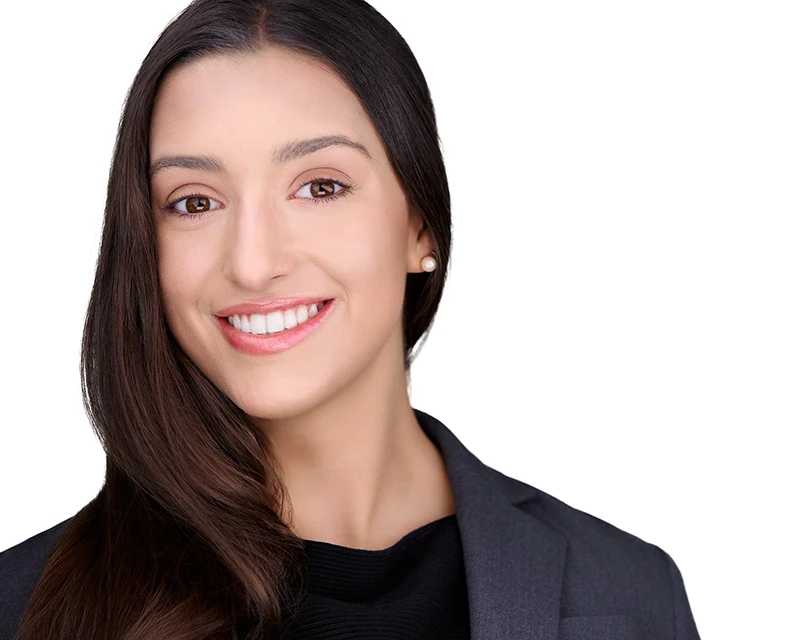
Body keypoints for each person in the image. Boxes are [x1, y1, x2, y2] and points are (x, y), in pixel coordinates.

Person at [0, 0, 701, 638]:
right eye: (194, 202)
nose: (252, 262)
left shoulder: (631, 593)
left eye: (320, 187)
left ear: (421, 228)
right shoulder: (20, 604)